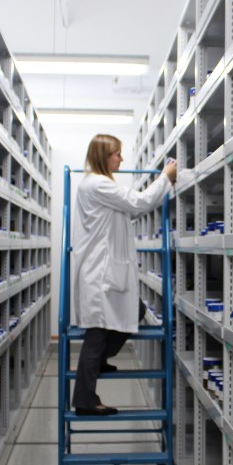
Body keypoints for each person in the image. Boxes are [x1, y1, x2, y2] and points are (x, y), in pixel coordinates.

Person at [71, 134, 177, 416]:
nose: (121, 158)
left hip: (103, 271)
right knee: (96, 336)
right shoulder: (98, 184)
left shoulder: (96, 185)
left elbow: (125, 213)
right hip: (99, 274)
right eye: (117, 153)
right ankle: (85, 399)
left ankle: (100, 361)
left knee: (133, 311)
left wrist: (159, 188)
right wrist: (165, 177)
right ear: (104, 156)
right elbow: (140, 201)